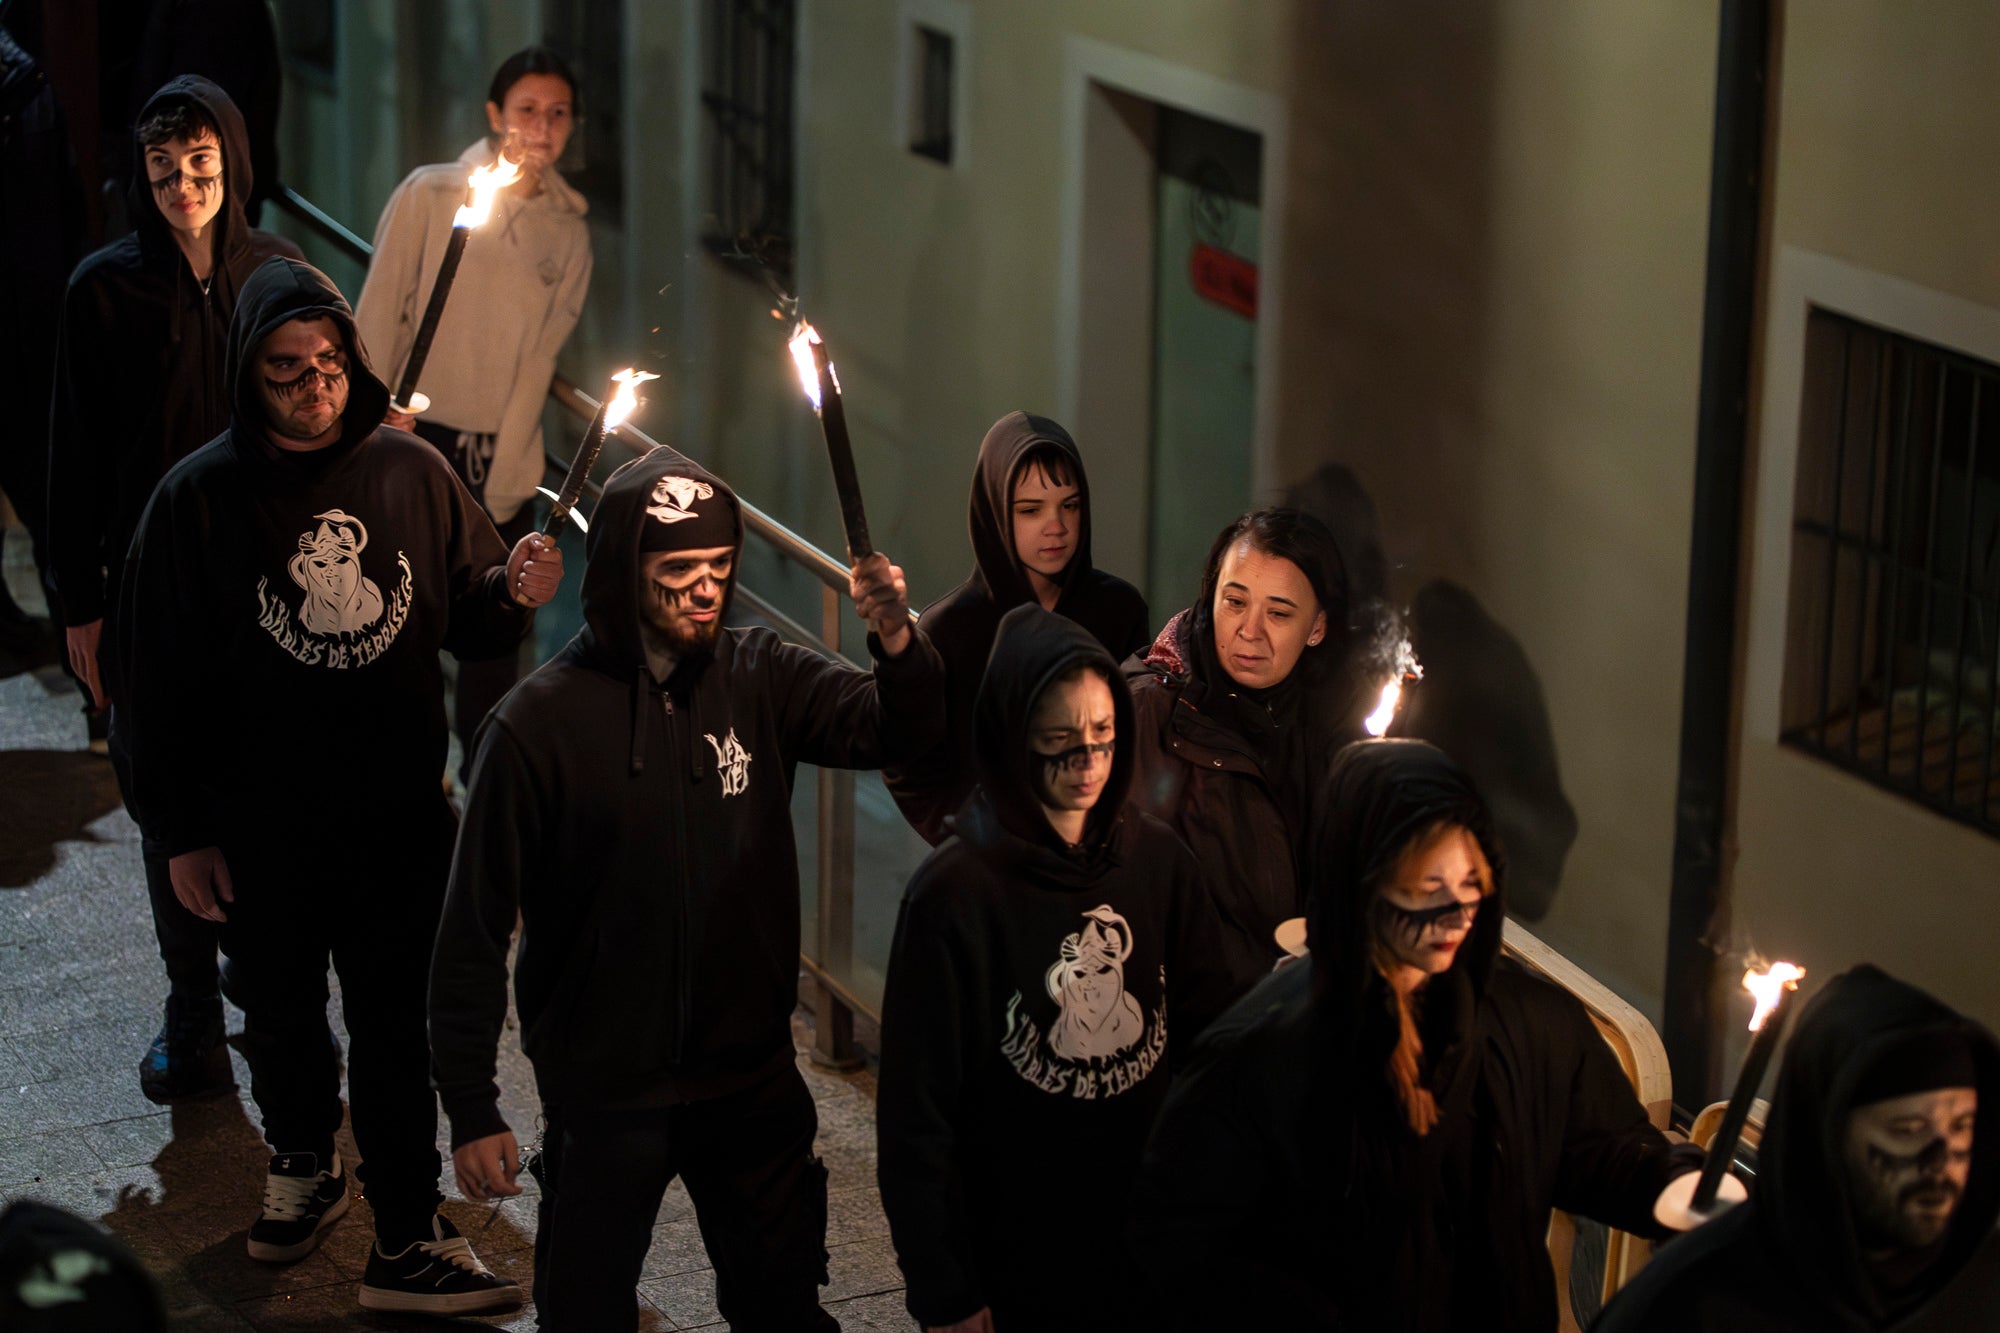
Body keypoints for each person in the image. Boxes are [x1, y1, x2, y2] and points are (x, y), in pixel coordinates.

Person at [117, 255, 561, 1315]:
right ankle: (304, 1165)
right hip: (255, 824)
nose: (313, 384)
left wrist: (513, 590)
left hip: (395, 820)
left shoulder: (409, 471)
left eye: (327, 362)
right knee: (275, 1012)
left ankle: (404, 1231)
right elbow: (150, 682)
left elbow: (470, 613)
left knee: (395, 1026)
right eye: (287, 368)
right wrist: (178, 831)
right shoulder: (198, 500)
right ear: (248, 374)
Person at [429, 446, 943, 1332]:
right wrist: (472, 1103)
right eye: (677, 571)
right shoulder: (536, 726)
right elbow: (473, 924)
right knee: (585, 1312)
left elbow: (898, 730)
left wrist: (899, 641)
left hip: (748, 1075)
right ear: (623, 573)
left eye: (719, 566)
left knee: (782, 1307)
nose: (706, 589)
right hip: (604, 1086)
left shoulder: (761, 674)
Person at [1130, 739, 1701, 1331]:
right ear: (1362, 882)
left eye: (1471, 881)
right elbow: (1184, 1246)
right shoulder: (1261, 1054)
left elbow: (1600, 1147)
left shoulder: (1533, 1021)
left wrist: (1675, 1185)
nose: (1458, 913)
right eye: (1428, 889)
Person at [45, 75, 303, 1105]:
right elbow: (71, 453)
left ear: (231, 163)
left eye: (200, 164)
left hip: (263, 583)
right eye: (162, 169)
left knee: (269, 789)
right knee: (168, 796)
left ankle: (268, 993)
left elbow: (316, 403)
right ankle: (190, 1005)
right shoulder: (102, 289)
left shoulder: (278, 273)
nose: (183, 185)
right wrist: (79, 601)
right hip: (148, 591)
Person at [877, 605, 1236, 1333]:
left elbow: (1211, 1047)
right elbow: (916, 1115)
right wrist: (945, 1288)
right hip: (1012, 1261)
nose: (1088, 760)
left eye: (1103, 734)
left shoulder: (1159, 863)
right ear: (1013, 736)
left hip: (1144, 1252)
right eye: (1059, 739)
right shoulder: (954, 894)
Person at [355, 45, 592, 784]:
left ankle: (485, 787)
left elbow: (540, 360)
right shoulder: (434, 193)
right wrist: (366, 421)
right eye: (527, 110)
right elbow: (379, 312)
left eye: (558, 114)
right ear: (494, 114)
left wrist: (513, 466)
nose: (541, 128)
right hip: (411, 435)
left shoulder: (568, 230)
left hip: (500, 456)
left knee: (496, 630)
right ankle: (402, 776)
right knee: (401, 612)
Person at [1596, 964, 2000, 1332]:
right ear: (1826, 1137)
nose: (1940, 1161)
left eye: (1961, 1126)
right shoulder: (1690, 1307)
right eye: (1908, 1129)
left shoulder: (1982, 1285)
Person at [1125, 506, 1368, 983]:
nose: (1249, 631)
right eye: (1234, 602)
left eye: (1278, 613)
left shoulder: (1339, 715)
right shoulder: (1149, 712)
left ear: (1317, 627)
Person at [886, 411, 1148, 845]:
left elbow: (1138, 743)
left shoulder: (1119, 609)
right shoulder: (949, 629)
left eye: (1070, 505)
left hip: (1096, 856)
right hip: (988, 864)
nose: (1056, 527)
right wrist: (971, 841)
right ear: (993, 511)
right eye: (1030, 510)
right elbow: (908, 764)